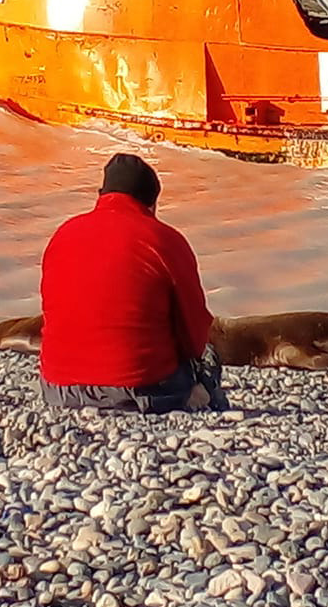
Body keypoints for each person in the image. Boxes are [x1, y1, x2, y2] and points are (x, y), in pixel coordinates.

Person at [39, 153, 225, 414]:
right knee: (207, 359)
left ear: (101, 195)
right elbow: (195, 335)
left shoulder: (61, 235)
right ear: (152, 203)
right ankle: (204, 402)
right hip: (139, 389)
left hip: (57, 388)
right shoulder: (165, 240)